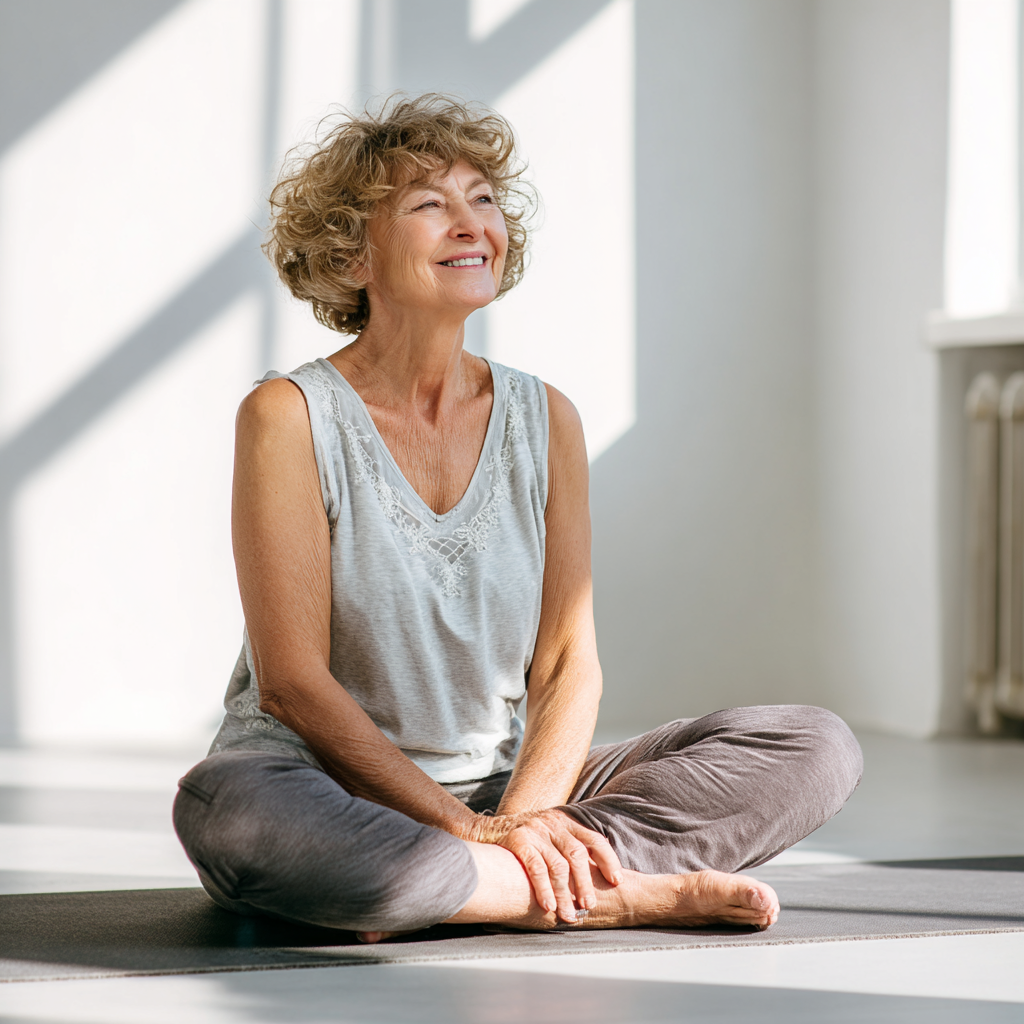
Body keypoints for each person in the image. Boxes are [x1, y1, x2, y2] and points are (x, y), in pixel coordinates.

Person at [173, 94, 862, 942]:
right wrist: (461, 826)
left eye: (484, 199)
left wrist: (520, 820)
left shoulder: (546, 419)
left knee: (816, 747)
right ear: (353, 256)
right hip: (317, 783)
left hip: (501, 791)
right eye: (430, 205)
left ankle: (478, 886)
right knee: (226, 811)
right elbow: (291, 682)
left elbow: (569, 662)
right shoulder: (287, 416)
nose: (472, 223)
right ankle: (599, 891)